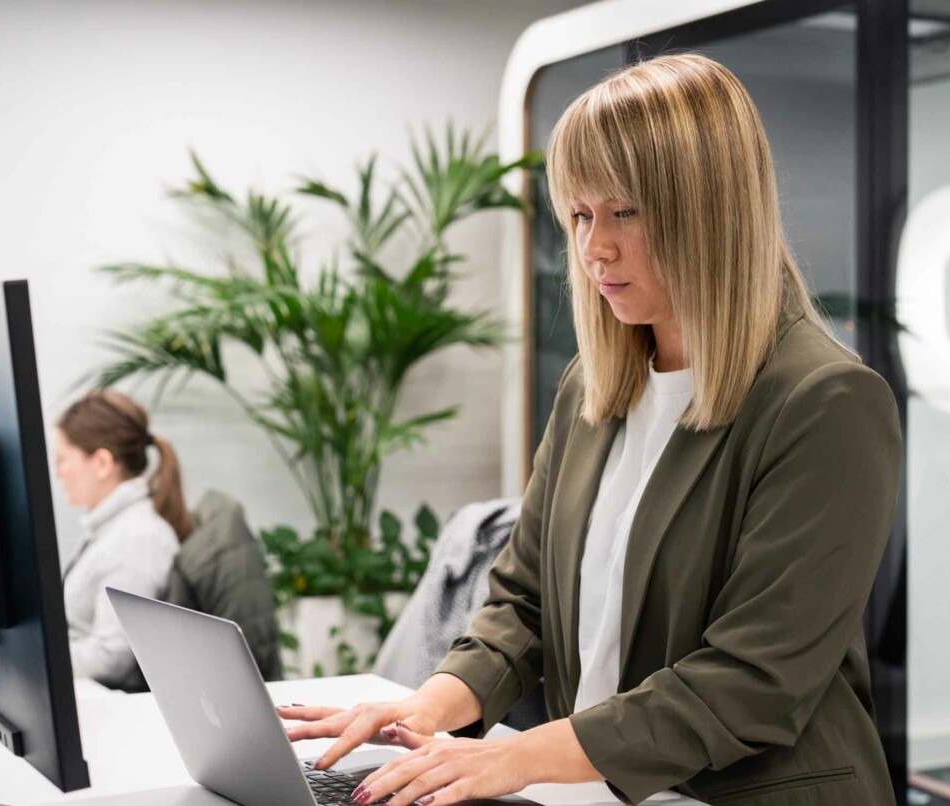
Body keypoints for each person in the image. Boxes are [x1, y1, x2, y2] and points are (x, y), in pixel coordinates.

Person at [275, 53, 902, 806]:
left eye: (625, 212)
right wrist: (431, 705)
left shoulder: (824, 402)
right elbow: (524, 597)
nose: (593, 247)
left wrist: (515, 760)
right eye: (579, 214)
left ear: (711, 209)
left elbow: (753, 681)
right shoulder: (594, 386)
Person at [54, 390, 193, 690]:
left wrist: (38, 664)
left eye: (63, 460)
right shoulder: (112, 529)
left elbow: (112, 659)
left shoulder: (138, 538)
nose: (57, 472)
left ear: (103, 463)